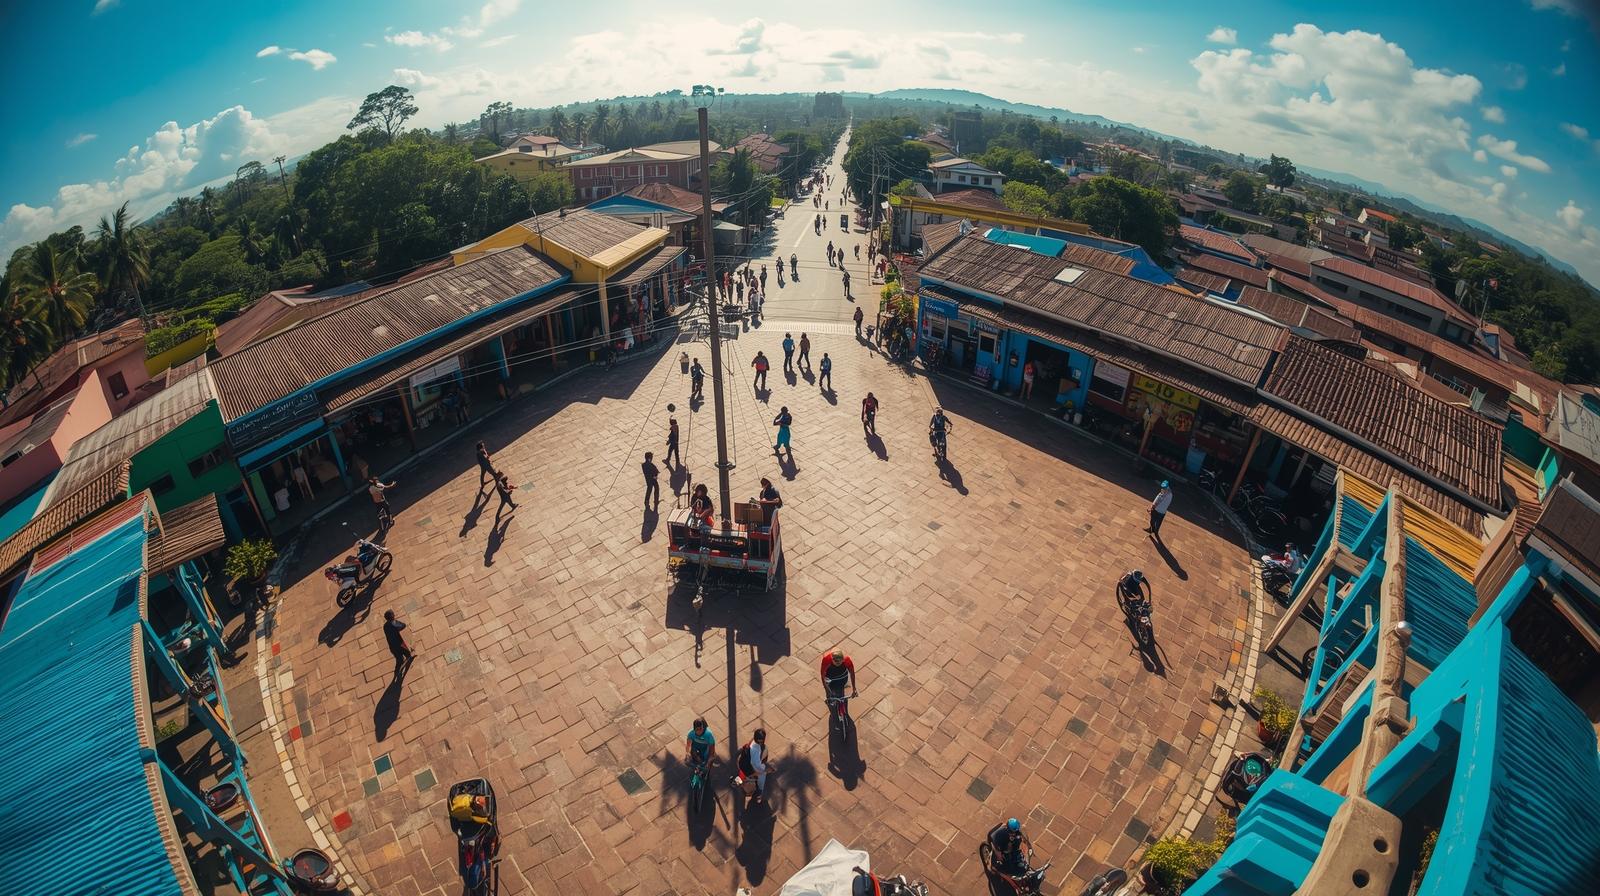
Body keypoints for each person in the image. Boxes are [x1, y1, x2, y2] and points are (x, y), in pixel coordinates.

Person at [735, 729, 772, 805]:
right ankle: (759, 792)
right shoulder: (756, 750)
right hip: (749, 769)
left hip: (742, 763)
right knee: (762, 777)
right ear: (761, 740)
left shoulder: (752, 741)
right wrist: (765, 770)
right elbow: (756, 765)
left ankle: (739, 781)